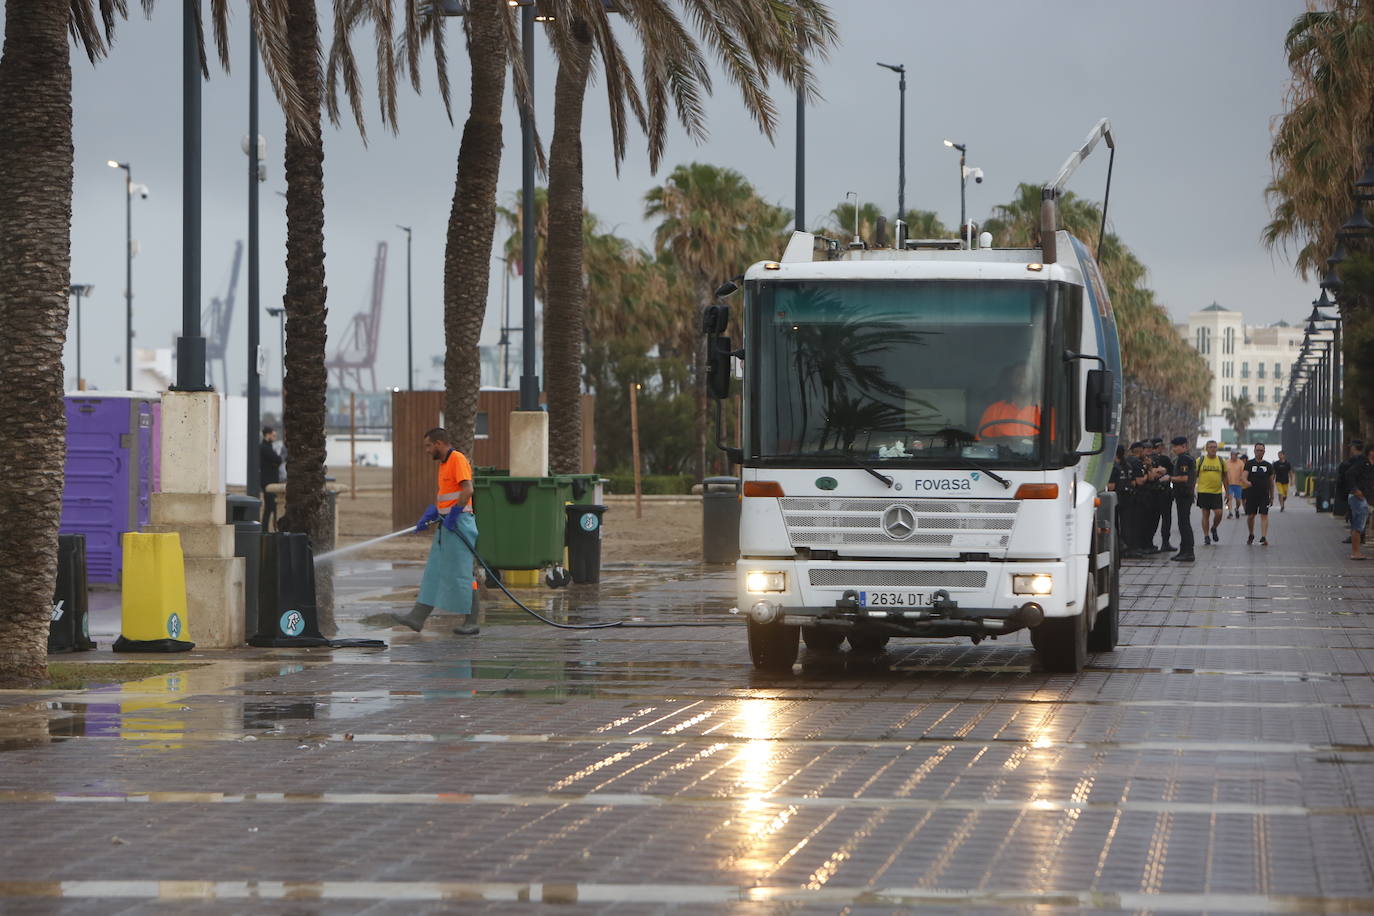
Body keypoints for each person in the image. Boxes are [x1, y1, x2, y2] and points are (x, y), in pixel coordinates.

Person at [390, 427, 481, 636]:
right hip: (447, 524)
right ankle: (417, 617)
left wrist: (455, 513)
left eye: (428, 446)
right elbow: (446, 496)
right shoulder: (444, 464)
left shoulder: (457, 459)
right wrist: (432, 513)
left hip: (460, 524)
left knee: (464, 574)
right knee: (434, 572)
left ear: (439, 443)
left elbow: (468, 489)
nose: (427, 450)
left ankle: (472, 621)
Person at [1242, 443, 1275, 546]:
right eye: (1258, 450)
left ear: (1264, 452)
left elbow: (1271, 482)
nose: (1259, 452)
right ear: (1254, 451)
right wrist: (1247, 483)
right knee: (1251, 516)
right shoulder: (1249, 464)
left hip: (1264, 495)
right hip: (1251, 494)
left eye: (1261, 450)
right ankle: (1251, 534)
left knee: (1264, 515)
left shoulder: (1268, 466)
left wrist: (1272, 496)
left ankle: (1264, 537)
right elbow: (1243, 477)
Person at [1168, 436, 1195, 561]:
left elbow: (1184, 478)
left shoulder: (1184, 459)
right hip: (1182, 495)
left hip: (1184, 495)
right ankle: (1183, 550)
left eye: (1175, 446)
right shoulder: (1183, 458)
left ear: (1183, 446)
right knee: (1182, 523)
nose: (1173, 449)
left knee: (1184, 524)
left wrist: (1169, 478)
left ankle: (1188, 552)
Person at [1345, 444, 1374, 560]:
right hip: (1358, 498)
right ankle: (1355, 552)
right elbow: (1349, 475)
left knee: (1360, 525)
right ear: (1369, 452)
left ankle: (1356, 551)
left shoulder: (1371, 466)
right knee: (1358, 525)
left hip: (1367, 498)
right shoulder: (1362, 463)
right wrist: (1356, 490)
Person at [1195, 440, 1226, 545]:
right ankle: (1206, 536)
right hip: (1203, 491)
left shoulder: (1221, 461)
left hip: (1216, 492)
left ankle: (1214, 528)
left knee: (1219, 513)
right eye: (1211, 447)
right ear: (1206, 449)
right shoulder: (1200, 460)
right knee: (1205, 514)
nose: (1213, 449)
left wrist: (1228, 492)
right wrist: (1191, 490)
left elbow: (1225, 477)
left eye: (1215, 447)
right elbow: (1194, 476)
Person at [1149, 438, 1174, 552]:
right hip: (1163, 493)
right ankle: (1165, 543)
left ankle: (1149, 543)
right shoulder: (1164, 459)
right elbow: (1173, 473)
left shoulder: (1147, 459)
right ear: (1159, 447)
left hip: (1151, 494)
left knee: (1153, 519)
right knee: (1166, 519)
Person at [259, 426, 283, 531]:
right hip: (269, 483)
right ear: (267, 435)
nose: (274, 437)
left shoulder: (267, 447)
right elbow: (278, 459)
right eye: (273, 435)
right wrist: (275, 463)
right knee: (271, 507)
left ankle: (268, 529)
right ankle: (269, 529)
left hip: (269, 482)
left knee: (270, 508)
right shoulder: (265, 447)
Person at [1225, 449, 1246, 519]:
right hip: (1229, 484)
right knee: (1229, 498)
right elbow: (1224, 473)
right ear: (1231, 455)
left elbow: (1244, 472)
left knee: (1238, 501)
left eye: (1237, 455)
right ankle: (1230, 512)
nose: (1236, 456)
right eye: (1235, 454)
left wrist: (1243, 479)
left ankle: (1236, 509)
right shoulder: (1227, 463)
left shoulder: (1240, 463)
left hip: (1238, 484)